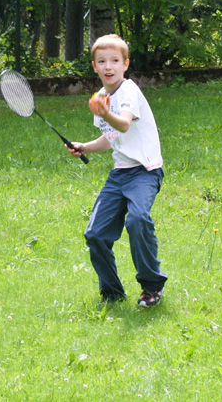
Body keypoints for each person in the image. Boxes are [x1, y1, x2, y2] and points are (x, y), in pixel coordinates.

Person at [67, 34, 167, 308]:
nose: (108, 66)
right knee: (95, 234)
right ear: (94, 66)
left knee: (137, 220)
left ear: (125, 64)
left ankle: (152, 287)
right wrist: (85, 147)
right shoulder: (101, 98)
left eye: (114, 61)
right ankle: (112, 294)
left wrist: (105, 113)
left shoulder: (128, 91)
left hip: (145, 172)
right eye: (102, 61)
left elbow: (122, 123)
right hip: (120, 174)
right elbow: (112, 136)